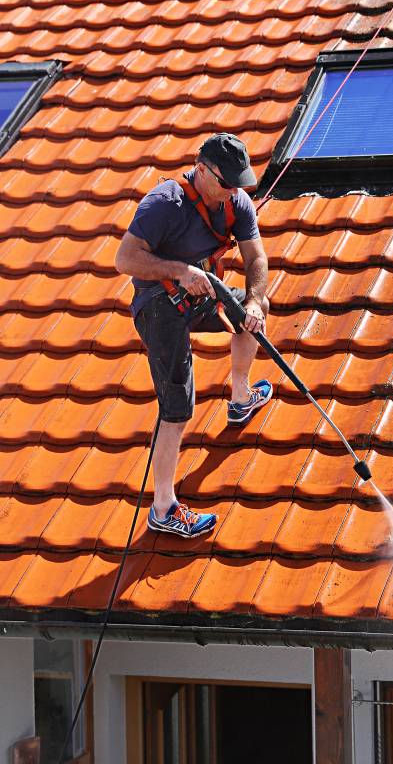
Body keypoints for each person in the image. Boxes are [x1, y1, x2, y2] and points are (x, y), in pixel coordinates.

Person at [115, 133, 271, 539]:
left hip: (202, 296)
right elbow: (124, 259)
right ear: (202, 170)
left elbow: (256, 258)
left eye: (240, 183)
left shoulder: (237, 202)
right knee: (178, 407)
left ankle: (240, 397)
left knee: (254, 312)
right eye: (226, 183)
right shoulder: (165, 202)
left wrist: (253, 302)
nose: (234, 191)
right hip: (158, 306)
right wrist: (179, 271)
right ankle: (163, 508)